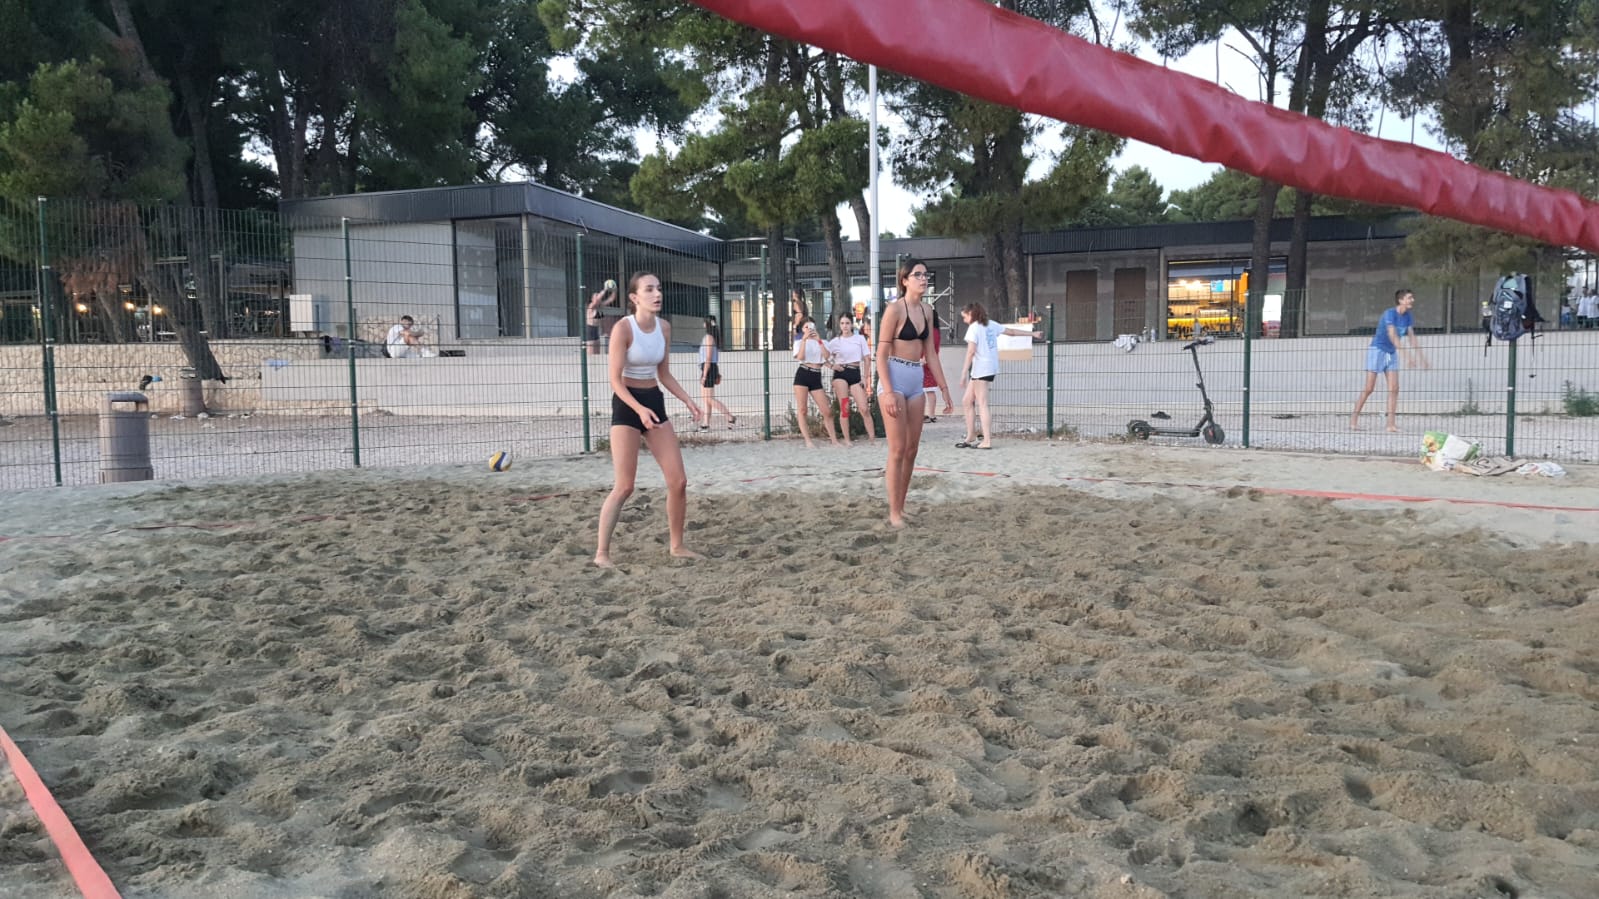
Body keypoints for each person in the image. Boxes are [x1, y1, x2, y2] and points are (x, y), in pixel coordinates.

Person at [594, 272, 703, 568]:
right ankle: (602, 553)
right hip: (627, 405)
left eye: (659, 289)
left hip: (654, 400)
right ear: (634, 297)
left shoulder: (664, 327)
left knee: (678, 481)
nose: (657, 294)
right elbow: (615, 381)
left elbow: (664, 374)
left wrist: (688, 400)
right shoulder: (623, 328)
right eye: (649, 289)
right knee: (625, 486)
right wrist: (639, 410)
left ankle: (677, 546)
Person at [875, 258, 953, 527]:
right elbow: (880, 354)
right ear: (904, 280)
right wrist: (887, 391)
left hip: (915, 378)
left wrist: (944, 388)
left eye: (925, 274)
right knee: (897, 449)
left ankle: (901, 506)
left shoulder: (928, 310)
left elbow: (930, 353)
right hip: (894, 377)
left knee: (911, 450)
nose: (923, 278)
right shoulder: (894, 310)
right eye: (917, 274)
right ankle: (894, 513)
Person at [955, 303, 1038, 449]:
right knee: (967, 401)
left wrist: (963, 373)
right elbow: (1011, 332)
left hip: (982, 368)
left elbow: (971, 351)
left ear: (971, 314)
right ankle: (971, 434)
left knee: (982, 403)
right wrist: (1032, 334)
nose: (964, 320)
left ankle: (986, 440)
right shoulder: (990, 324)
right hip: (989, 366)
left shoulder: (974, 328)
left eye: (965, 316)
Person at [1351, 288, 1428, 433]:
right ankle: (1354, 420)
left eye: (1412, 297)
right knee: (1369, 388)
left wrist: (1422, 358)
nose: (1412, 300)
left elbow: (1412, 338)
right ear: (1401, 300)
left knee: (1394, 388)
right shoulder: (1390, 314)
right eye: (1409, 298)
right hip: (1378, 350)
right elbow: (1393, 336)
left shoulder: (1408, 316)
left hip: (1391, 352)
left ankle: (1390, 425)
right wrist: (1407, 357)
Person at [826, 312, 876, 446]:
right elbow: (822, 356)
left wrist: (865, 377)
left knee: (864, 408)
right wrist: (832, 366)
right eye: (842, 323)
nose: (845, 326)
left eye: (847, 323)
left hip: (855, 373)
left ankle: (872, 438)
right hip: (841, 374)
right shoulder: (835, 342)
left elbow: (867, 359)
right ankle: (847, 439)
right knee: (845, 407)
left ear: (852, 324)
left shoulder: (859, 339)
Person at [791, 320, 840, 448]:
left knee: (827, 411)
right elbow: (800, 357)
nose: (809, 329)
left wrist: (818, 340)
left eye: (811, 326)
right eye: (806, 327)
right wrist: (804, 340)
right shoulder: (798, 342)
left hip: (816, 375)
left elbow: (826, 356)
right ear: (802, 329)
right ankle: (808, 440)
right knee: (802, 409)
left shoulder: (823, 342)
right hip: (803, 373)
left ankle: (834, 440)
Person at [698, 316, 736, 430]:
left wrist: (704, 375)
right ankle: (706, 423)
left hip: (709, 368)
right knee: (706, 398)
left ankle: (729, 416)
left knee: (709, 398)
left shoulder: (709, 338)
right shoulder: (711, 337)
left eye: (704, 322)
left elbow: (708, 357)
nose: (703, 324)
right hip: (708, 367)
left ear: (707, 324)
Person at [921, 308, 944, 423]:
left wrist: (924, 359)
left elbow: (931, 348)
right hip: (928, 362)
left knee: (928, 390)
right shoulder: (935, 331)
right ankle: (930, 414)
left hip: (926, 362)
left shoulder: (932, 332)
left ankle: (930, 414)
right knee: (928, 389)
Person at [585, 281, 619, 355]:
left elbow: (612, 299)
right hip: (590, 331)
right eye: (596, 295)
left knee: (597, 354)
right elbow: (596, 301)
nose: (598, 296)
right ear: (592, 299)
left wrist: (614, 290)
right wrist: (605, 289)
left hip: (596, 331)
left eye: (598, 295)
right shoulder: (591, 306)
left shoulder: (600, 306)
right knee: (591, 354)